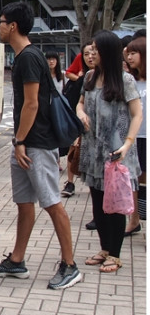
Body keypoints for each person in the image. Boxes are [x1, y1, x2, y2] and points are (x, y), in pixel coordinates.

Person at [0, 1, 81, 290]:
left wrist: (19, 142)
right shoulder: (27, 56)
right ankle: (17, 260)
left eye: (1, 22)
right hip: (28, 144)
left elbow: (30, 103)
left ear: (12, 26)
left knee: (52, 203)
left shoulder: (28, 58)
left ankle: (70, 265)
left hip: (35, 144)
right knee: (24, 204)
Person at [77, 30, 142, 272]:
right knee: (98, 203)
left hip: (117, 152)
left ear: (108, 52)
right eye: (91, 49)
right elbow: (80, 103)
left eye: (96, 49)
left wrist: (127, 143)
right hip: (93, 151)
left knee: (115, 204)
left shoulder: (125, 80)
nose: (91, 53)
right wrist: (80, 112)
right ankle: (105, 248)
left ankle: (115, 254)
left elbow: (137, 114)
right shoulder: (90, 77)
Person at [61, 41, 95, 199]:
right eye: (86, 54)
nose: (90, 56)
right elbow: (76, 101)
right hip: (78, 120)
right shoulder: (84, 78)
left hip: (95, 124)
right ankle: (70, 182)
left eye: (92, 53)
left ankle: (94, 185)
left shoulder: (105, 76)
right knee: (73, 151)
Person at [122, 36, 146, 236]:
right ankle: (135, 218)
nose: (129, 57)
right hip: (134, 137)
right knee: (135, 180)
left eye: (133, 53)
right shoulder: (130, 79)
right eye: (127, 53)